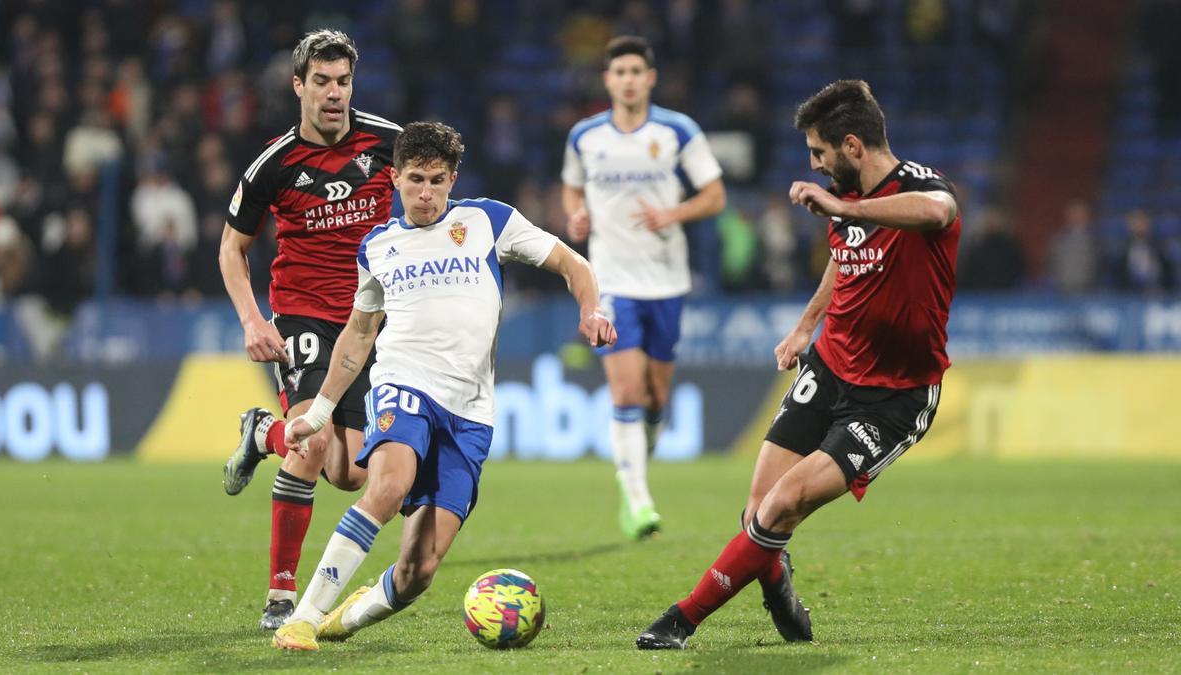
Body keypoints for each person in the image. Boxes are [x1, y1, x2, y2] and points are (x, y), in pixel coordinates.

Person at [636, 79, 961, 649]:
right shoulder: (847, 197)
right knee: (759, 512)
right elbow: (844, 262)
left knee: (784, 504)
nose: (814, 164)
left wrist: (841, 204)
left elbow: (940, 211)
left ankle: (681, 620)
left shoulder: (917, 189)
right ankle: (778, 582)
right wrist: (806, 326)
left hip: (893, 397)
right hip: (831, 366)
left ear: (853, 146)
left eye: (819, 152)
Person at [272, 121, 616, 650]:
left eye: (436, 180)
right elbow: (358, 336)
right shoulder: (378, 247)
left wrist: (591, 308)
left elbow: (573, 264)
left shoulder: (488, 220)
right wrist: (318, 413)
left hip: (471, 413)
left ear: (453, 178)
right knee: (386, 487)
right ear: (394, 178)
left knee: (419, 570)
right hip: (403, 384)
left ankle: (338, 619)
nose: (426, 193)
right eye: (415, 180)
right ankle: (304, 615)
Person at [217, 29, 402, 630]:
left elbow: (433, 196)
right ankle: (280, 595)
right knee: (312, 443)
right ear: (298, 86)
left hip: (367, 321)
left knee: (349, 475)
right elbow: (231, 248)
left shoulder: (390, 144)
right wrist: (251, 318)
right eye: (321, 81)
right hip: (301, 315)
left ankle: (260, 432)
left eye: (342, 82)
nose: (333, 93)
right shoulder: (274, 163)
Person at [561, 35, 725, 541]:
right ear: (608, 80)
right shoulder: (585, 136)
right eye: (620, 71)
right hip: (610, 280)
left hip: (666, 279)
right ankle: (636, 500)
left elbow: (715, 195)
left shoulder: (678, 131)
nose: (628, 79)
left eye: (637, 70)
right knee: (626, 388)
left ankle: (639, 459)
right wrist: (576, 215)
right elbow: (571, 186)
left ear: (650, 78)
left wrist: (670, 213)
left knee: (656, 396)